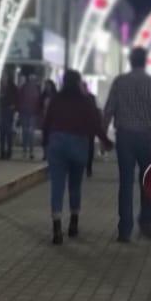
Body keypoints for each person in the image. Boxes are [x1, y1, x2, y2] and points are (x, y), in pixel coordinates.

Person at [103, 47, 151, 243]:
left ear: (130, 61)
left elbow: (109, 110)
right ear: (145, 61)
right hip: (147, 138)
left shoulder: (119, 82)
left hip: (125, 137)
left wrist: (103, 137)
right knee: (148, 182)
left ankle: (125, 230)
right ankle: (146, 224)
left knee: (125, 183)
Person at [41, 69, 110, 245]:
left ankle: (56, 227)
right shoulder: (86, 101)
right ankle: (73, 223)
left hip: (57, 143)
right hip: (79, 144)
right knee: (75, 185)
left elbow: (47, 122)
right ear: (79, 83)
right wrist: (105, 141)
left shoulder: (56, 99)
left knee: (57, 185)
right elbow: (95, 124)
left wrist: (45, 142)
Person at [16, 71, 43, 159]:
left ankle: (27, 150)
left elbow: (20, 99)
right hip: (30, 113)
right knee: (29, 132)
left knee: (27, 132)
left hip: (28, 112)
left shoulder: (25, 88)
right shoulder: (36, 89)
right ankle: (28, 151)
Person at [0, 70, 18, 160]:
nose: (3, 78)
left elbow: (16, 97)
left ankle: (8, 151)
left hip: (8, 110)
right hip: (2, 110)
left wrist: (13, 105)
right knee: (2, 132)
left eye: (4, 76)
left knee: (8, 132)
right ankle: (2, 152)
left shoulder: (12, 87)